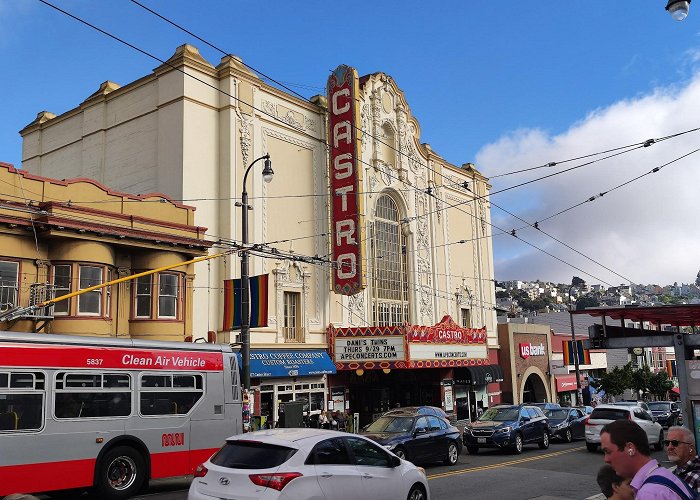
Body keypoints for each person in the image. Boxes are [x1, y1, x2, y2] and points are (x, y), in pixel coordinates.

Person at [600, 419, 696, 500]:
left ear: (630, 448)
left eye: (608, 451)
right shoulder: (663, 476)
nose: (606, 459)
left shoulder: (650, 493)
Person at [666, 426, 700, 494]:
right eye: (667, 443)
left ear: (690, 448)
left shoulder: (697, 477)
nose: (669, 447)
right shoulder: (678, 470)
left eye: (675, 443)